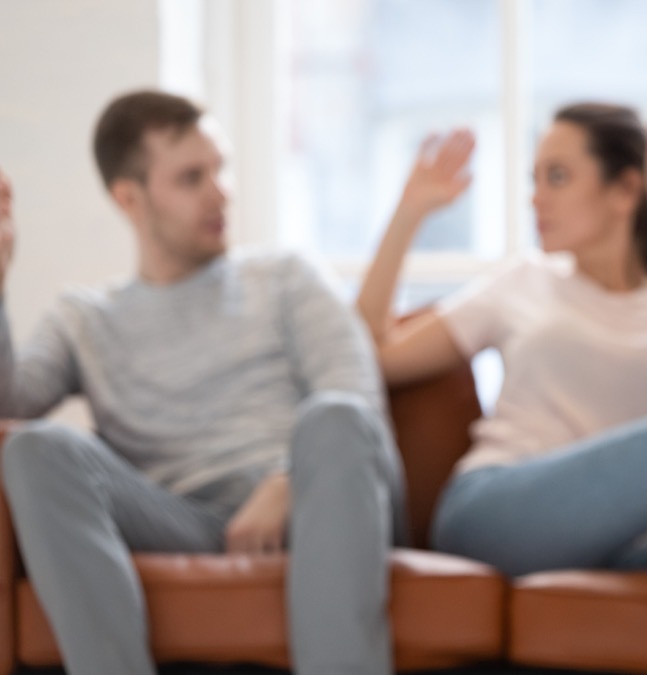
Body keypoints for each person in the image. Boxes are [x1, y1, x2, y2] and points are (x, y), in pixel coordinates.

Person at [0, 90, 405, 675]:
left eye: (222, 169)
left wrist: (287, 480)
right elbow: (10, 406)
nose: (222, 192)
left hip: (319, 507)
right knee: (35, 449)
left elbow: (358, 402)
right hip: (184, 520)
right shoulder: (84, 318)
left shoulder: (285, 276)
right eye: (192, 178)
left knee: (336, 415)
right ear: (129, 198)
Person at [356, 98, 647, 576]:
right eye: (533, 180)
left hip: (631, 547)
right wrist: (409, 212)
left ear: (625, 191)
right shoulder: (523, 280)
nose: (536, 197)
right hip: (499, 511)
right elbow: (372, 354)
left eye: (556, 177)